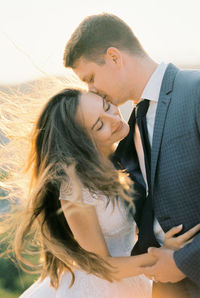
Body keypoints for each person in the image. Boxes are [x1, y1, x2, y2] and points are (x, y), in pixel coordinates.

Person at [3, 88, 195, 298]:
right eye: (99, 125)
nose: (113, 118)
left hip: (133, 275)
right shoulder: (73, 187)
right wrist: (162, 258)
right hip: (102, 286)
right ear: (83, 142)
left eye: (106, 106)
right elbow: (101, 265)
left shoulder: (120, 157)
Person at [63, 13, 200, 297]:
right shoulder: (126, 131)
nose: (90, 89)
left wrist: (182, 261)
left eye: (90, 77)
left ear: (114, 57)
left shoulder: (195, 92)